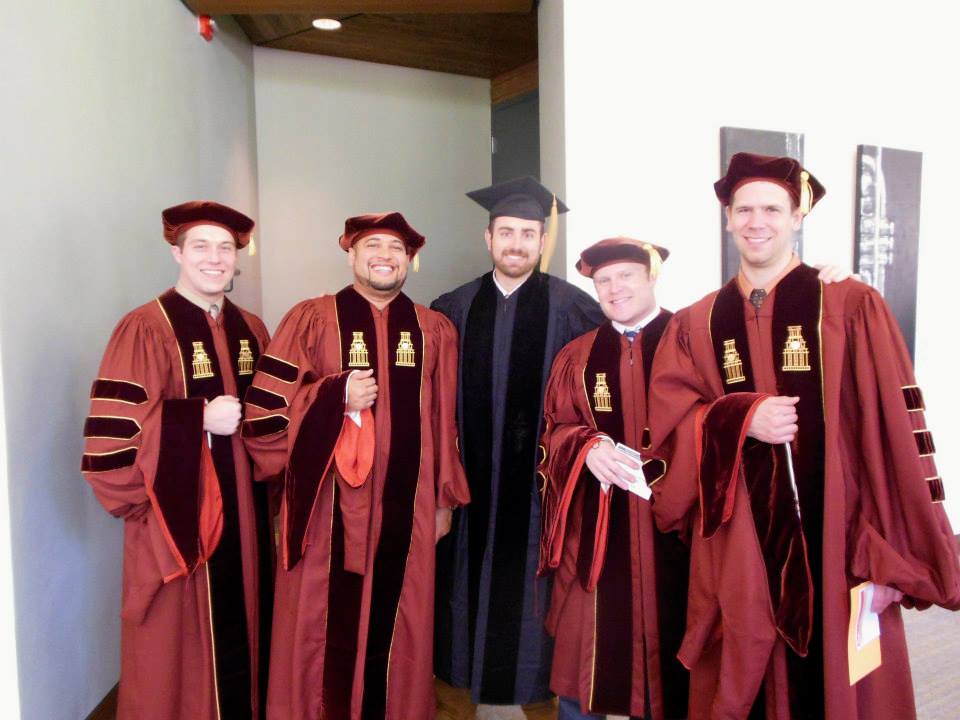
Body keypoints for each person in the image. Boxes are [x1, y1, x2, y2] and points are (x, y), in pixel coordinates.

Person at [648, 152, 960, 719]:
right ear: (727, 219)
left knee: (835, 685)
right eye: (744, 209)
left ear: (797, 216)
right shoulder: (697, 322)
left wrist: (890, 556)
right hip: (738, 548)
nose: (756, 221)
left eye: (772, 208)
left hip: (838, 542)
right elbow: (668, 433)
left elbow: (893, 438)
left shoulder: (849, 304)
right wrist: (739, 417)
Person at [242, 212, 469, 720]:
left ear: (412, 258)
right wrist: (332, 397)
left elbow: (444, 419)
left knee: (400, 615)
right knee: (325, 619)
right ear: (350, 254)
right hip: (328, 509)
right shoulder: (311, 318)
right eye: (372, 245)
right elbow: (265, 413)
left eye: (395, 247)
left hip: (407, 511)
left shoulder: (435, 330)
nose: (384, 255)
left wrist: (444, 499)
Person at [81, 200, 274, 719]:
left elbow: (281, 414)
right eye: (201, 247)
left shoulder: (252, 329)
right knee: (176, 648)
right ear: (177, 252)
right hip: (178, 523)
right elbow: (114, 442)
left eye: (226, 248)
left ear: (238, 258)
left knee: (247, 630)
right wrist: (196, 420)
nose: (215, 258)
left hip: (246, 517)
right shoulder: (144, 327)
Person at [431, 177, 605, 718]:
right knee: (464, 594)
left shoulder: (576, 310)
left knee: (535, 602)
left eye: (528, 234)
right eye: (506, 232)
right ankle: (459, 691)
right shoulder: (451, 310)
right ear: (488, 238)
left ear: (542, 241)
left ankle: (536, 694)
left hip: (539, 498)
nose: (516, 243)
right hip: (469, 493)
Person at [538, 237, 690, 720]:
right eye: (604, 281)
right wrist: (585, 447)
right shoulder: (578, 356)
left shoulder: (690, 341)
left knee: (679, 644)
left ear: (651, 277)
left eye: (626, 275)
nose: (614, 287)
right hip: (599, 529)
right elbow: (551, 433)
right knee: (585, 653)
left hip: (677, 526)